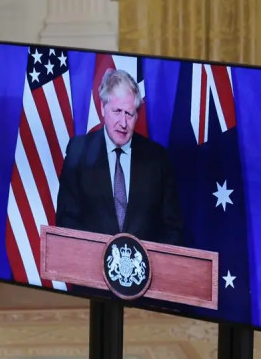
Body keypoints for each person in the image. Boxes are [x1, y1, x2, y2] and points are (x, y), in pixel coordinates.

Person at [55, 68, 183, 244]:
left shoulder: (158, 159)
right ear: (103, 108)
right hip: (89, 266)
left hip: (146, 269)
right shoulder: (79, 151)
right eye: (117, 111)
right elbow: (66, 221)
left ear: (137, 115)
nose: (123, 123)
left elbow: (172, 229)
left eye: (129, 114)